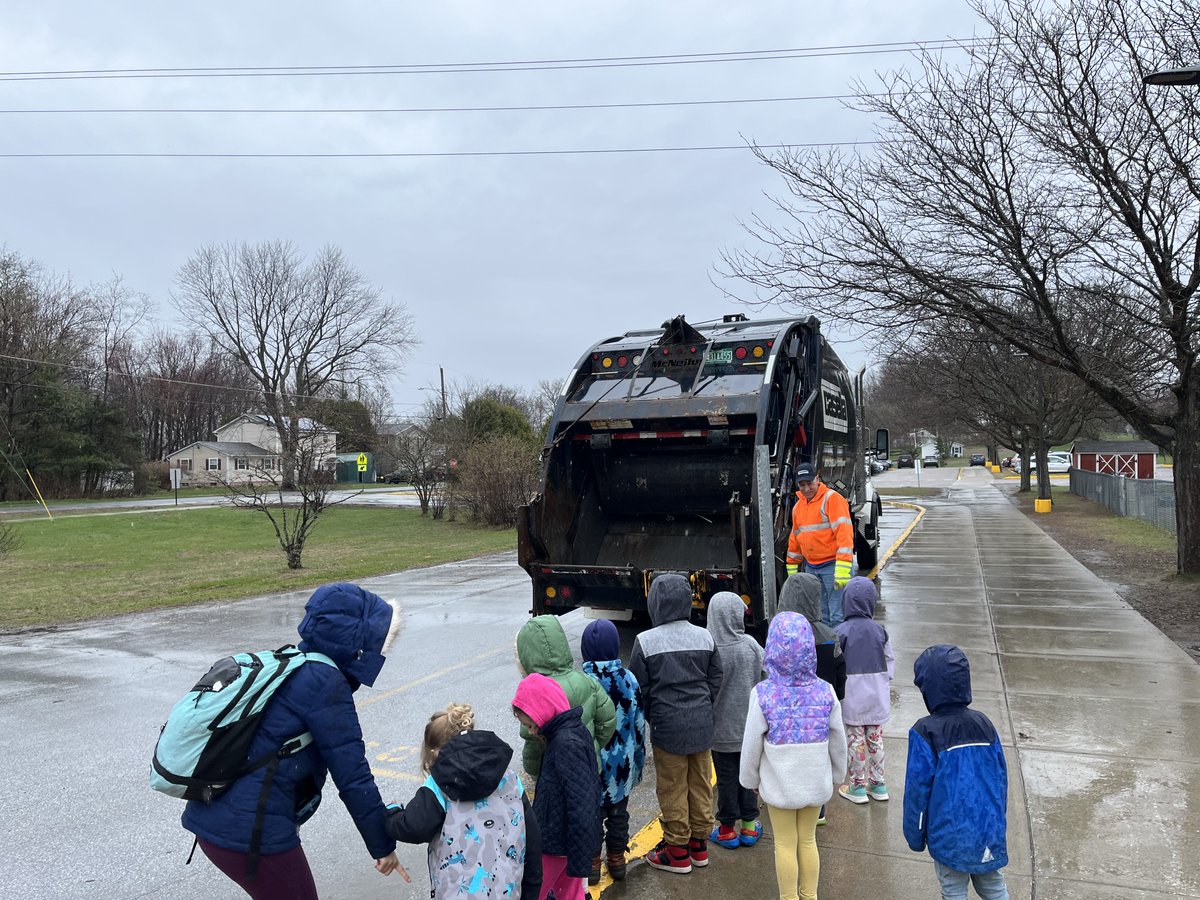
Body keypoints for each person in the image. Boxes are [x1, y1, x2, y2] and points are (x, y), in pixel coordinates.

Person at [182, 582, 407, 900]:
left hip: (217, 817)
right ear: (356, 642)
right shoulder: (324, 682)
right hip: (249, 832)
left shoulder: (297, 662)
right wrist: (382, 845)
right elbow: (352, 775)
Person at [384, 703, 542, 899]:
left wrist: (392, 812)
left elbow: (413, 827)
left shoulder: (438, 786)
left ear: (434, 752)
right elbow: (532, 844)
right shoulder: (510, 779)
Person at [740, 612, 847, 900]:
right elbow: (839, 739)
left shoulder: (762, 694)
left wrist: (749, 778)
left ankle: (789, 898)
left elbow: (752, 743)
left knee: (784, 844)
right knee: (809, 840)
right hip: (815, 779)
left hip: (780, 782)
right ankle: (809, 896)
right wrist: (837, 774)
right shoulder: (825, 692)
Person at [628, 573, 723, 874]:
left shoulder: (645, 641)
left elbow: (638, 687)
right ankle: (699, 845)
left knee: (672, 788)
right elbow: (716, 677)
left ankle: (677, 850)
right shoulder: (704, 636)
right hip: (701, 725)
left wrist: (654, 715)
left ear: (654, 602)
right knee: (700, 784)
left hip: (667, 728)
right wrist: (704, 704)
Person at [904, 645, 1011, 900]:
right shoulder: (984, 723)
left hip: (949, 833)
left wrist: (915, 836)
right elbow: (1001, 779)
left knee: (953, 889)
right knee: (992, 885)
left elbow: (917, 792)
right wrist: (997, 820)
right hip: (987, 828)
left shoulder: (925, 731)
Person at [512, 672, 602, 900]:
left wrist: (581, 856)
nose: (532, 731)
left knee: (532, 892)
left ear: (544, 712)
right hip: (567, 841)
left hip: (557, 842)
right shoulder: (568, 733)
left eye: (530, 724)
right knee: (569, 894)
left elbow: (582, 802)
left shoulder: (565, 743)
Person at [580, 619, 646, 884]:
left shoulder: (582, 683)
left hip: (590, 767)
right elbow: (639, 722)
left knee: (592, 817)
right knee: (619, 815)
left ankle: (593, 862)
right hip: (622, 764)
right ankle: (617, 858)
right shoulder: (629, 679)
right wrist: (638, 760)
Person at [777, 571, 845, 826]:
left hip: (785, 714)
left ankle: (789, 800)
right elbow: (840, 680)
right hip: (819, 714)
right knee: (818, 758)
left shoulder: (777, 634)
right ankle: (818, 808)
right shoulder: (830, 635)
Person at [515, 615, 616, 777]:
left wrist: (533, 769)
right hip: (587, 768)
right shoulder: (587, 681)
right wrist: (592, 747)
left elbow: (532, 744)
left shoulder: (533, 696)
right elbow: (607, 722)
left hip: (553, 776)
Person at [705, 591, 765, 850]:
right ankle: (750, 828)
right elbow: (765, 675)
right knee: (750, 777)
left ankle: (727, 829)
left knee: (726, 779)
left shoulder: (709, 648)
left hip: (719, 732)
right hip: (749, 729)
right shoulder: (750, 645)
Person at [835, 576, 894, 804]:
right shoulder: (880, 631)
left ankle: (857, 786)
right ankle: (879, 784)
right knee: (875, 739)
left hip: (852, 696)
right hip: (877, 695)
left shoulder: (841, 631)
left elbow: (837, 661)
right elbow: (889, 660)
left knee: (856, 741)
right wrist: (884, 680)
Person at [784, 462, 855, 628]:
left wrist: (843, 569)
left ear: (817, 478)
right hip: (812, 568)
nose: (806, 488)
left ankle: (840, 651)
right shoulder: (798, 507)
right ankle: (828, 651)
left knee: (838, 616)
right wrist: (793, 572)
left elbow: (844, 535)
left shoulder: (832, 499)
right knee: (820, 616)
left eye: (810, 483)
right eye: (802, 485)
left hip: (833, 567)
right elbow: (795, 540)